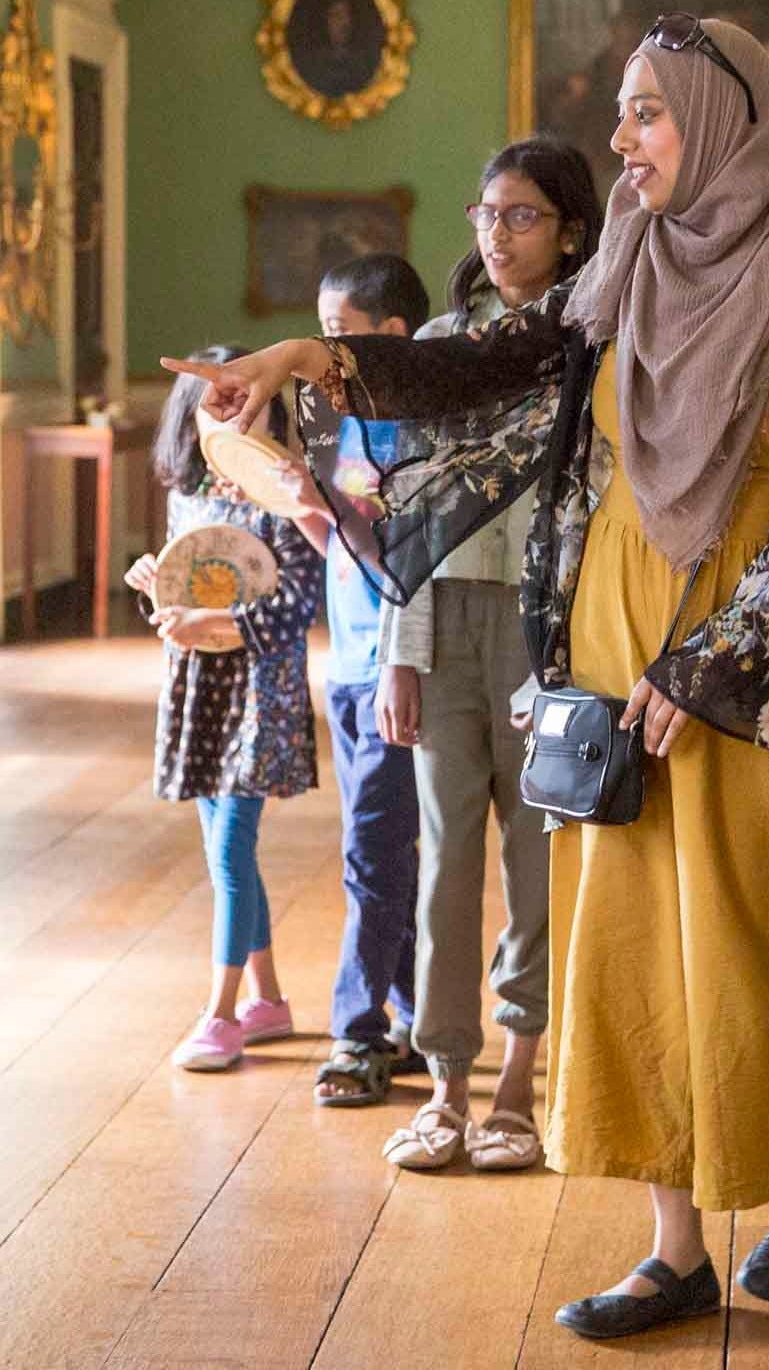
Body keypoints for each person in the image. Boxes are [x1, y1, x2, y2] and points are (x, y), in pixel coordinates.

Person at [166, 16, 769, 1341]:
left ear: (723, 124)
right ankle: (673, 1248)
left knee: (755, 949)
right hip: (614, 671)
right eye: (622, 112)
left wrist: (709, 663)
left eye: (648, 112)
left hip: (749, 685)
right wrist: (302, 361)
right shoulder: (617, 280)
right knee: (631, 953)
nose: (622, 138)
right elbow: (472, 366)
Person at [376, 138, 603, 1175]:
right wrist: (400, 653)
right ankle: (445, 1085)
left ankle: (518, 1083)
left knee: (535, 859)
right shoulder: (439, 343)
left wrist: (572, 653)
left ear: (570, 231)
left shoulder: (589, 342)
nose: (498, 234)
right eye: (487, 213)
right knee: (444, 860)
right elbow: (409, 510)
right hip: (443, 627)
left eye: (522, 215)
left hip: (545, 626)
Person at [128, 351, 330, 1075]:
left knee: (228, 848)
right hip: (201, 685)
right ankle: (267, 1000)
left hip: (260, 689)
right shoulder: (188, 491)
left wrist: (211, 624)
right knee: (228, 849)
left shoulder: (287, 491)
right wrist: (156, 586)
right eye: (212, 406)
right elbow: (188, 585)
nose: (230, 417)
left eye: (243, 402)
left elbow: (297, 603)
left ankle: (220, 1014)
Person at [311, 254, 431, 1107]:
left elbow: (403, 557)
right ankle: (416, 1019)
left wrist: (397, 664)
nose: (323, 353)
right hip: (348, 669)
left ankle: (358, 1037)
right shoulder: (354, 425)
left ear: (391, 335)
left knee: (373, 853)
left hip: (392, 673)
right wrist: (303, 501)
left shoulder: (418, 430)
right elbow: (346, 542)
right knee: (386, 854)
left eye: (337, 334)